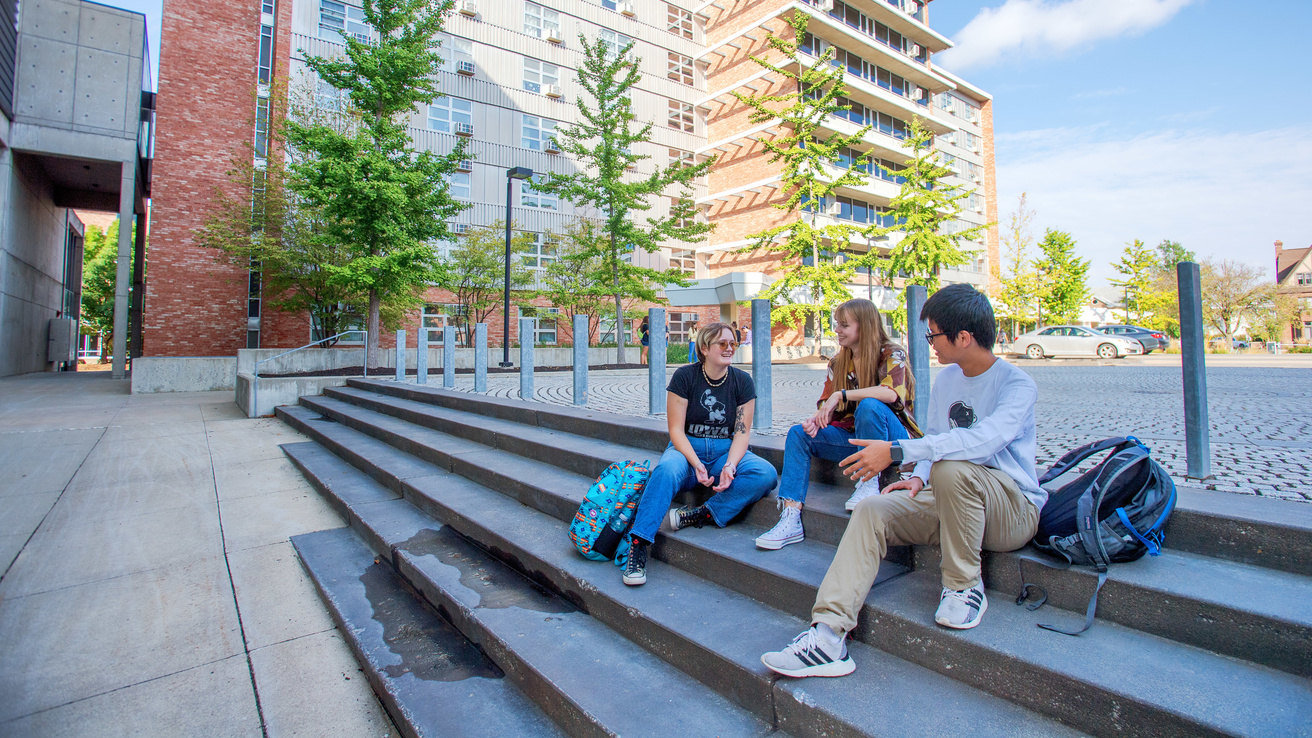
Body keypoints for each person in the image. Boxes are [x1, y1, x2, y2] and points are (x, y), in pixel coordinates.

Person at [760, 284, 1043, 677]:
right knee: (873, 509)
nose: (929, 344)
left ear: (963, 337)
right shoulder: (947, 380)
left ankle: (964, 586)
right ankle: (827, 636)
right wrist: (918, 478)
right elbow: (935, 438)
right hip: (951, 502)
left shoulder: (1016, 384)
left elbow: (983, 442)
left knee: (953, 468)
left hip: (1011, 510)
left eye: (933, 335)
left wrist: (896, 452)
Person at [755, 298, 921, 551]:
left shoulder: (891, 353)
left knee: (869, 405)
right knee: (798, 433)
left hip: (895, 441)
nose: (837, 330)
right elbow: (826, 406)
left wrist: (842, 395)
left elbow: (890, 394)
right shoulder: (837, 362)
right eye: (837, 324)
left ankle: (869, 481)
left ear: (864, 326)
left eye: (844, 325)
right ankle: (790, 517)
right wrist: (816, 420)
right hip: (855, 439)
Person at [623, 322, 779, 586]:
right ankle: (638, 544)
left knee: (766, 473)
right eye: (723, 343)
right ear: (704, 348)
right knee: (666, 470)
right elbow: (676, 431)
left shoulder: (742, 381)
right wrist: (696, 464)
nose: (730, 348)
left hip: (723, 452)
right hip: (687, 451)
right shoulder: (685, 377)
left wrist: (730, 466)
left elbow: (741, 433)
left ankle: (701, 514)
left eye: (733, 343)